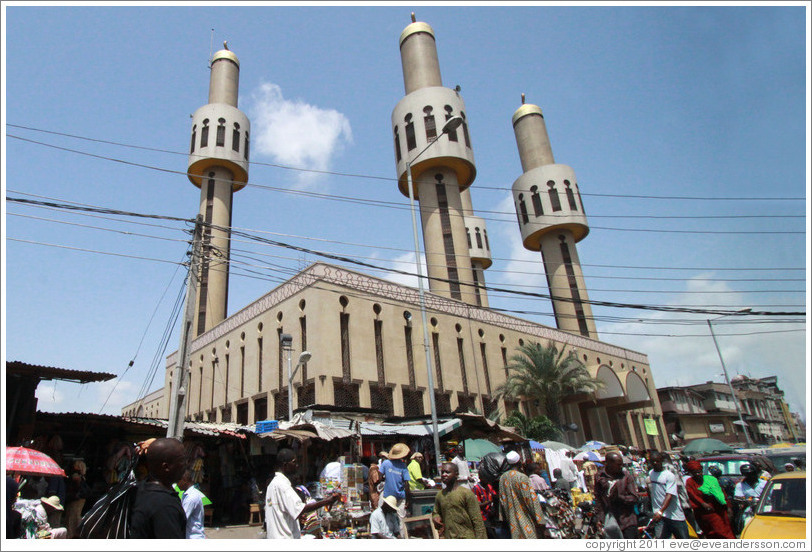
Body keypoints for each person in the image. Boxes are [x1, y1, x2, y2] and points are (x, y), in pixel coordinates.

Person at [265, 448, 340, 539]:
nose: (297, 465)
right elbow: (301, 508)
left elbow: (282, 510)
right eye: (294, 462)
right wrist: (327, 501)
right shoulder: (282, 485)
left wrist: (297, 518)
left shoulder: (273, 484)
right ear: (285, 465)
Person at [129, 437, 188, 539]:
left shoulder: (140, 489)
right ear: (166, 467)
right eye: (182, 460)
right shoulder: (165, 505)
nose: (185, 465)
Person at [432, 462, 488, 539]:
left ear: (456, 474)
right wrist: (436, 517)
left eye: (447, 472)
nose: (444, 475)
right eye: (442, 472)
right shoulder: (440, 495)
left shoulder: (466, 493)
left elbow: (477, 520)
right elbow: (436, 512)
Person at [498, 452, 546, 538]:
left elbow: (501, 499)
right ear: (519, 462)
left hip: (511, 517)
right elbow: (530, 499)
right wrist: (540, 520)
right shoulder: (522, 477)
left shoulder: (503, 478)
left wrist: (502, 516)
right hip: (525, 516)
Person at [594, 452, 639, 539]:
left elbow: (634, 497)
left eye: (621, 464)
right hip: (610, 522)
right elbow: (599, 499)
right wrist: (599, 518)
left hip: (627, 520)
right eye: (618, 464)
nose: (621, 467)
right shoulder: (599, 477)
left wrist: (620, 498)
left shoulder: (626, 477)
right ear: (608, 464)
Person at [684, 460, 734, 539]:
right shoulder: (690, 482)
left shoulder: (710, 480)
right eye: (695, 472)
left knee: (722, 532)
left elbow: (721, 493)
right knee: (710, 534)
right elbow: (692, 495)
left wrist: (728, 507)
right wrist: (702, 503)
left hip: (717, 511)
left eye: (699, 472)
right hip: (702, 513)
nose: (698, 474)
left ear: (702, 470)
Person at [647, 451, 688, 539]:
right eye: (653, 461)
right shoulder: (651, 473)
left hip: (674, 516)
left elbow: (669, 495)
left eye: (657, 461)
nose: (655, 463)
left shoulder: (669, 476)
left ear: (661, 461)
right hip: (660, 517)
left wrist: (661, 511)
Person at [379, 442, 412, 535]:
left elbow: (380, 477)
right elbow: (407, 484)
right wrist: (408, 499)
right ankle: (401, 537)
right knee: (401, 519)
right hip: (400, 497)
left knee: (385, 517)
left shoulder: (385, 463)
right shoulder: (403, 466)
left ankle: (386, 536)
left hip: (387, 496)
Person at [64, 459, 89, 538]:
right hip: (74, 507)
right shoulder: (78, 478)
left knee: (73, 525)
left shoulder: (78, 478)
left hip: (75, 507)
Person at [178, 469, 206, 539]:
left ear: (184, 480)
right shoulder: (187, 495)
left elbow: (183, 518)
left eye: (178, 481)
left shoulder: (191, 497)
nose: (177, 484)